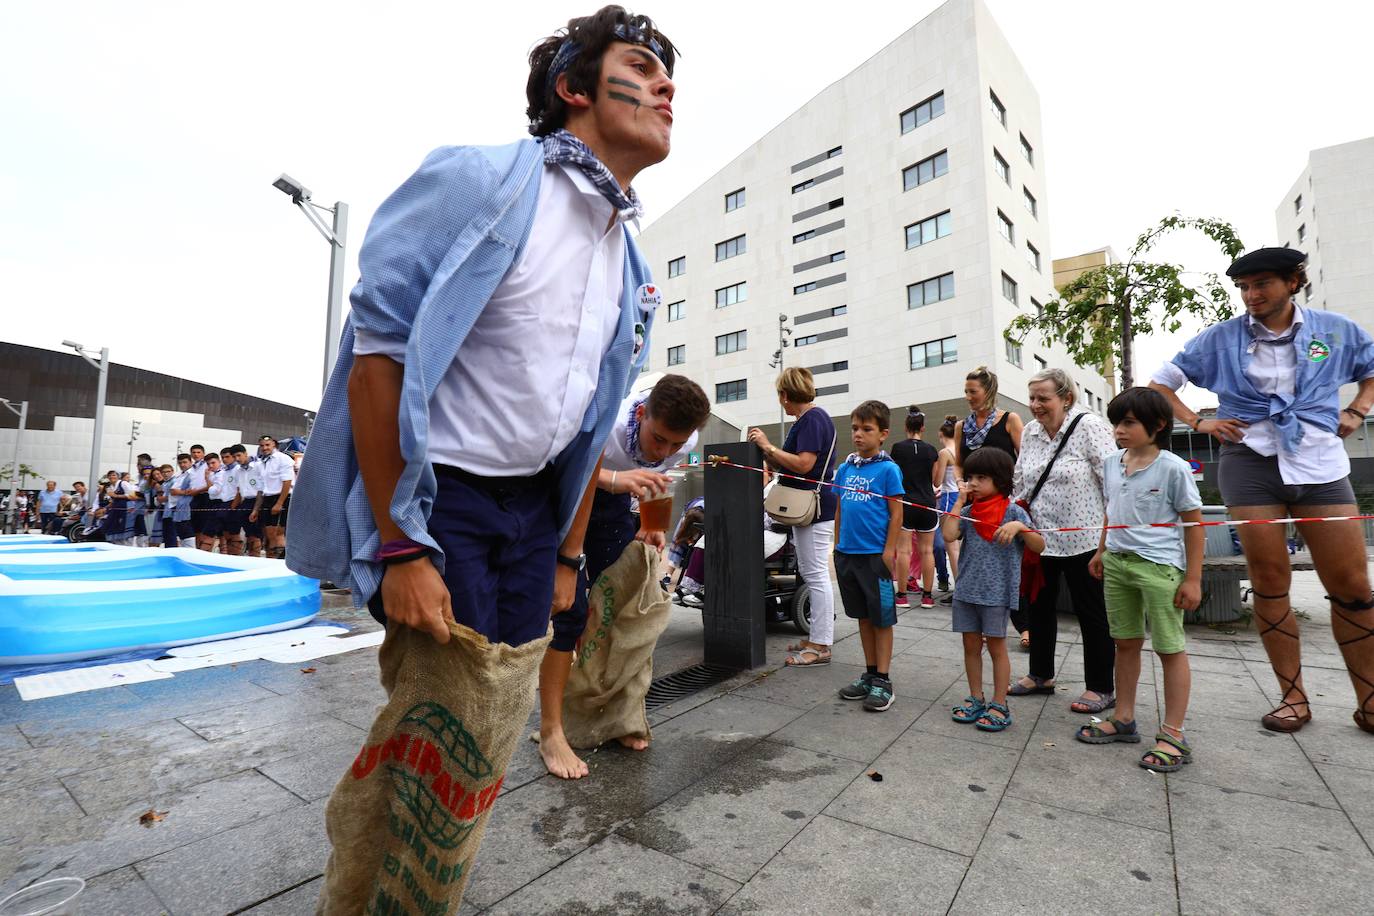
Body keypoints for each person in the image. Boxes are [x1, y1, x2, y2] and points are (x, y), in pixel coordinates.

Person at [283, 10, 677, 899]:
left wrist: (568, 556)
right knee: (439, 713)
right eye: (642, 66)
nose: (666, 88)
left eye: (668, 75)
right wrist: (401, 543)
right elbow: (376, 358)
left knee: (489, 722)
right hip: (444, 499)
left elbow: (589, 422)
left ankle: (431, 884)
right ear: (575, 88)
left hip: (537, 514)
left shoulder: (630, 258)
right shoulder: (481, 181)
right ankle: (375, 890)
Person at [1149, 246, 1374, 736]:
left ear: (1294, 281)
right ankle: (1292, 698)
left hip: (1318, 462)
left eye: (1262, 284)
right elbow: (1162, 383)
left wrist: (1357, 410)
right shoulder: (1220, 339)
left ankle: (1369, 699)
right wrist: (1198, 420)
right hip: (1248, 462)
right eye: (1244, 288)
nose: (1251, 296)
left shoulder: (1334, 331)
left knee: (1354, 588)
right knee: (1270, 581)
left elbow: (1371, 370)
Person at [539, 374, 709, 779]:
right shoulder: (609, 418)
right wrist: (615, 479)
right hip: (564, 501)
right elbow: (552, 464)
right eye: (658, 439)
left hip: (615, 510)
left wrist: (649, 523)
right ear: (640, 414)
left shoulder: (684, 440)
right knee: (570, 614)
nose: (666, 449)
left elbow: (653, 485)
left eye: (675, 443)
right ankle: (552, 730)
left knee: (618, 613)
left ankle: (617, 715)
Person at [1077, 387, 1204, 770]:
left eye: (1129, 423)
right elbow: (1111, 510)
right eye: (1117, 422)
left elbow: (1194, 526)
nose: (1119, 430)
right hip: (1117, 563)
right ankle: (1124, 717)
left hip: (1161, 569)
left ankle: (1173, 736)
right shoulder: (1113, 463)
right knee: (1125, 643)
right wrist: (1102, 549)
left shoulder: (1173, 468)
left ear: (1158, 425)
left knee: (1169, 649)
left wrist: (1193, 579)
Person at [1009, 368, 1118, 713]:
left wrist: (1107, 538)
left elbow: (1112, 481)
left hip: (1084, 539)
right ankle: (1040, 675)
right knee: (1039, 608)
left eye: (1044, 398)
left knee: (1092, 612)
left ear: (1066, 398)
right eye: (1032, 398)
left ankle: (1101, 687)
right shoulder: (1030, 432)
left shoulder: (1089, 426)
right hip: (1040, 537)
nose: (1036, 405)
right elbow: (1020, 479)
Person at [943, 448, 1044, 731]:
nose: (973, 482)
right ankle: (976, 698)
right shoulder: (968, 511)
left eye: (981, 477)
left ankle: (1000, 704)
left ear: (999, 480)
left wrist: (1019, 527)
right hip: (966, 590)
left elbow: (1040, 545)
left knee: (997, 648)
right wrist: (958, 500)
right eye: (970, 476)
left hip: (997, 594)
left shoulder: (1014, 512)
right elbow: (949, 534)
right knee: (970, 646)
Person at [748, 367, 840, 668]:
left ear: (786, 395)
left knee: (815, 575)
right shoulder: (813, 418)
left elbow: (803, 464)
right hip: (811, 506)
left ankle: (821, 644)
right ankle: (817, 637)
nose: (781, 403)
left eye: (780, 396)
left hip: (812, 507)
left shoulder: (812, 419)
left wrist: (767, 446)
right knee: (813, 572)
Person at [833, 400, 904, 712]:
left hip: (875, 556)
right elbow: (839, 510)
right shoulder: (845, 469)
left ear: (883, 433)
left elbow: (897, 514)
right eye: (855, 429)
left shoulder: (889, 470)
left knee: (881, 618)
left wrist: (889, 551)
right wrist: (836, 546)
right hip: (847, 554)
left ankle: (884, 681)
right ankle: (870, 673)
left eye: (866, 429)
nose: (858, 435)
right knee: (862, 617)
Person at [891, 406, 940, 609]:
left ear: (906, 426)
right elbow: (935, 480)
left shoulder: (897, 448)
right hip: (927, 503)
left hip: (906, 503)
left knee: (904, 551)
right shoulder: (931, 450)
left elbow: (894, 476)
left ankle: (901, 596)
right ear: (923, 427)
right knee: (927, 551)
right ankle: (927, 597)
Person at [958, 365, 1023, 469]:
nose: (968, 397)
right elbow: (958, 465)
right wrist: (959, 481)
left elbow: (1024, 458)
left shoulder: (1010, 419)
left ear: (989, 392)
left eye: (973, 392)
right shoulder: (960, 426)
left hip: (1004, 484)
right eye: (966, 392)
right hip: (970, 484)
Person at [931, 415, 961, 595]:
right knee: (957, 546)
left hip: (948, 497)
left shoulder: (945, 453)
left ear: (942, 434)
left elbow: (937, 482)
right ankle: (961, 587)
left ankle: (959, 590)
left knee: (951, 546)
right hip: (961, 496)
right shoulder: (962, 449)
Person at [253, 436, 294, 559]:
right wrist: (256, 509)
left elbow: (287, 481)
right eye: (262, 445)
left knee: (278, 533)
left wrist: (280, 503)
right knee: (268, 533)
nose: (264, 448)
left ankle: (282, 562)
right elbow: (261, 489)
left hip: (282, 497)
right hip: (267, 498)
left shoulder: (283, 459)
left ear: (274, 445)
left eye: (267, 445)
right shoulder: (260, 463)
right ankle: (272, 560)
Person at [230, 445, 265, 557]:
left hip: (258, 500)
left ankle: (256, 556)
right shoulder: (238, 470)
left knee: (256, 533)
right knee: (248, 533)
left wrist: (256, 509)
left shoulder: (258, 466)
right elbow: (239, 490)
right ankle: (251, 555)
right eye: (235, 456)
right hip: (245, 501)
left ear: (245, 453)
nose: (237, 459)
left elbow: (261, 488)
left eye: (239, 455)